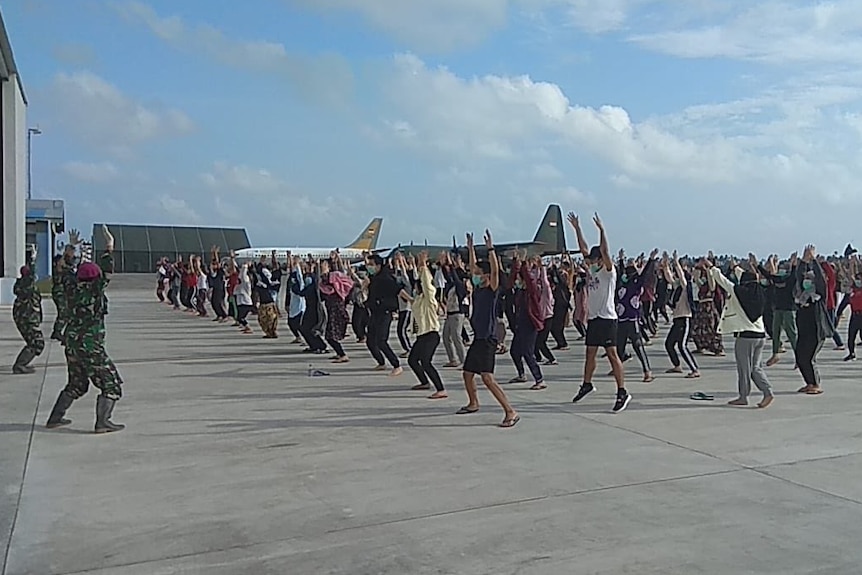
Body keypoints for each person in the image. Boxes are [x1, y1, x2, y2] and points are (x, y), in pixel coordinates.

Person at [46, 231, 125, 433]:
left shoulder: (70, 288)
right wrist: (109, 244)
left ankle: (55, 418)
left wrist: (70, 248)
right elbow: (107, 268)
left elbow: (62, 268)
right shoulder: (95, 289)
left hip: (72, 344)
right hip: (91, 347)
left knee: (76, 384)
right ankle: (103, 422)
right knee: (111, 384)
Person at [456, 230, 519, 428]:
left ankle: (510, 411)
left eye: (477, 274)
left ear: (484, 276)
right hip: (478, 338)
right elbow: (474, 266)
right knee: (467, 373)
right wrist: (471, 248)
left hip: (488, 339)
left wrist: (491, 249)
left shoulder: (492, 290)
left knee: (487, 378)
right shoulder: (477, 289)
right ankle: (473, 403)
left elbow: (493, 271)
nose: (473, 276)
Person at [568, 212, 630, 413]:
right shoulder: (592, 270)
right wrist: (577, 229)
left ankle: (622, 391)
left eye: (594, 261)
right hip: (594, 319)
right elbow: (584, 249)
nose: (591, 264)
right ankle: (586, 384)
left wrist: (602, 231)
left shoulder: (608, 272)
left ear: (601, 261)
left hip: (607, 318)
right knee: (590, 354)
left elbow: (604, 250)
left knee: (612, 355)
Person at [707, 255, 773, 408]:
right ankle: (766, 392)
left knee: (745, 369)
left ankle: (748, 395)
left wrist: (712, 268)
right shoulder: (760, 292)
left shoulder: (738, 291)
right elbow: (747, 277)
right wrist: (735, 267)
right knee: (756, 367)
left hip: (745, 337)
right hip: (760, 336)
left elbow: (723, 281)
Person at [407, 251, 447, 399]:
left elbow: (427, 284)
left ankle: (441, 389)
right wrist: (416, 265)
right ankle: (424, 382)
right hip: (421, 335)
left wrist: (423, 266)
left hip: (431, 334)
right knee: (412, 360)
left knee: (426, 361)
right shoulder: (418, 300)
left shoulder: (429, 300)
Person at [794, 245, 833, 395]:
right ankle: (809, 383)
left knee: (808, 357)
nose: (807, 281)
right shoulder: (801, 297)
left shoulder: (819, 297)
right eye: (806, 279)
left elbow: (822, 280)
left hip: (816, 331)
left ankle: (816, 383)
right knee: (799, 356)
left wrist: (814, 260)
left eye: (810, 279)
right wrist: (803, 261)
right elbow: (798, 278)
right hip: (804, 331)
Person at [365, 254, 402, 376]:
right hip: (375, 313)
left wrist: (411, 300)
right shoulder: (373, 278)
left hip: (385, 312)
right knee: (370, 340)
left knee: (381, 341)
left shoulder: (386, 278)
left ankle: (396, 365)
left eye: (371, 265)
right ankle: (381, 362)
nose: (368, 267)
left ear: (378, 266)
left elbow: (398, 290)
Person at [12, 263, 45, 374]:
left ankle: (22, 364)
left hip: (26, 319)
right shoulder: (27, 285)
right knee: (37, 343)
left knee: (33, 342)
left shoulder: (22, 285)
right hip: (28, 319)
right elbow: (31, 273)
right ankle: (20, 365)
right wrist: (33, 260)